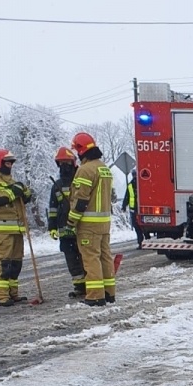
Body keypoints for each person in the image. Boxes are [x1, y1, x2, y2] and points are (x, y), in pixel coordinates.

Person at [0, 149, 33, 307]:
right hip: (0, 233)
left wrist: (25, 193)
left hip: (16, 231)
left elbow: (23, 196)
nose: (10, 165)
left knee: (15, 264)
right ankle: (1, 296)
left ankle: (13, 294)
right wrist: (15, 191)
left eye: (11, 162)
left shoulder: (11, 181)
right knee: (3, 264)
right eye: (7, 162)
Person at [68, 132, 115, 307]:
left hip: (88, 224)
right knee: (104, 257)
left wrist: (71, 221)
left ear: (81, 150)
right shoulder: (104, 168)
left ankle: (95, 295)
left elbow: (80, 200)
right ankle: (109, 293)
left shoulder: (85, 170)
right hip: (104, 223)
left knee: (91, 258)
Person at [48, 147, 87, 298]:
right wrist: (51, 227)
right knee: (72, 261)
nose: (64, 166)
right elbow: (53, 208)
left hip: (82, 229)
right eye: (61, 163)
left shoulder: (81, 181)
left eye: (67, 163)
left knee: (86, 259)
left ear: (73, 163)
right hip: (65, 231)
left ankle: (90, 285)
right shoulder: (56, 186)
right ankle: (79, 287)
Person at [122, 169, 144, 248]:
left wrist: (124, 206)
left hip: (135, 209)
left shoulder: (133, 184)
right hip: (138, 209)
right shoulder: (138, 184)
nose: (134, 176)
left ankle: (141, 241)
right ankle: (142, 241)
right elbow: (127, 196)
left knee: (138, 226)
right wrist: (124, 205)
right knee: (139, 226)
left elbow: (126, 197)